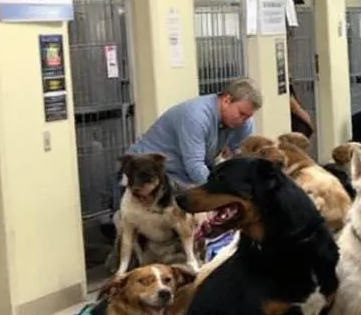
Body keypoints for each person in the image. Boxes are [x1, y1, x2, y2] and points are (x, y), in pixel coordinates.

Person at [112, 77, 261, 214]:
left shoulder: (245, 122)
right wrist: (222, 193)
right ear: (226, 100)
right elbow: (195, 167)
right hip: (145, 172)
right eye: (241, 114)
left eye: (248, 116)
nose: (244, 120)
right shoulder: (196, 116)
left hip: (180, 175)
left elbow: (241, 158)